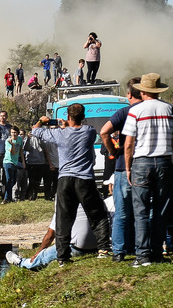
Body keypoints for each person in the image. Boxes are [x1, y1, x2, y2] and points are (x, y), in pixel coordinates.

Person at [31, 104, 112, 264]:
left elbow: (35, 130)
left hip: (65, 179)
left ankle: (63, 258)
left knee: (63, 219)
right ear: (83, 117)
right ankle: (103, 249)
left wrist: (42, 120)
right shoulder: (89, 132)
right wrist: (68, 124)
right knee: (98, 214)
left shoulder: (58, 134)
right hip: (85, 179)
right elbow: (81, 128)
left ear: (68, 116)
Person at [122, 73, 173, 267]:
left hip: (141, 162)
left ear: (142, 91)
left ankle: (142, 255)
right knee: (160, 210)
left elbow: (128, 144)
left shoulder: (136, 111)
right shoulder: (171, 110)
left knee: (140, 211)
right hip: (164, 162)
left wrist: (128, 167)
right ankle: (157, 251)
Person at [99, 77, 142, 261]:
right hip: (142, 165)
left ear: (129, 94)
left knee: (121, 212)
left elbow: (103, 132)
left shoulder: (124, 112)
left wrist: (113, 151)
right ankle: (140, 248)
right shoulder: (150, 111)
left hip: (123, 167)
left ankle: (119, 251)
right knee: (141, 211)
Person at [6, 203, 111, 270]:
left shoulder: (65, 206)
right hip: (100, 247)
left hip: (76, 248)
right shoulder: (97, 201)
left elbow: (50, 236)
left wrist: (38, 253)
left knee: (43, 257)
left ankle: (22, 262)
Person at [23, 131, 48, 200]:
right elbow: (26, 148)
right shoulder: (28, 138)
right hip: (31, 162)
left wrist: (39, 138)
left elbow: (44, 147)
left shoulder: (42, 138)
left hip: (40, 162)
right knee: (31, 180)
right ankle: (29, 194)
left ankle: (35, 195)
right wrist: (28, 138)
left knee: (38, 180)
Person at [2, 126, 24, 203]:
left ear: (18, 133)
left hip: (15, 162)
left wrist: (23, 162)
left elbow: (21, 150)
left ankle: (8, 197)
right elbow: (13, 152)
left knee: (14, 181)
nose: (13, 134)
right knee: (9, 180)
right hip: (8, 161)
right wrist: (12, 145)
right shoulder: (8, 141)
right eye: (12, 132)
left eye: (15, 132)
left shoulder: (20, 139)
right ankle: (7, 198)